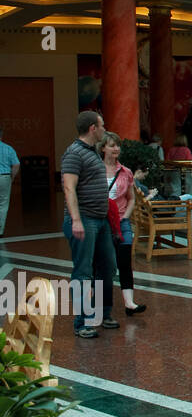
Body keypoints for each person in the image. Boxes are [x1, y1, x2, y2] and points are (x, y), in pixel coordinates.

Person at [60, 111, 118, 338]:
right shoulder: (74, 153)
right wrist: (76, 220)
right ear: (93, 128)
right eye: (102, 125)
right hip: (84, 219)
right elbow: (68, 187)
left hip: (100, 219)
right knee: (83, 271)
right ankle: (82, 322)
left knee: (107, 267)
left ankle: (103, 313)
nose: (105, 129)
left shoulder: (91, 152)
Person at [100, 133, 145, 316]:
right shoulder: (95, 170)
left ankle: (129, 303)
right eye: (112, 145)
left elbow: (131, 198)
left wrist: (125, 216)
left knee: (125, 260)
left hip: (122, 221)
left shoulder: (125, 172)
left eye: (117, 145)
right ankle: (103, 306)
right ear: (103, 148)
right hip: (102, 222)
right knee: (106, 264)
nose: (116, 148)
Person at [0, 125, 19, 237]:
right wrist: (11, 177)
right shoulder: (8, 148)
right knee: (3, 204)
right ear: (1, 136)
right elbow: (16, 165)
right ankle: (0, 230)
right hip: (5, 177)